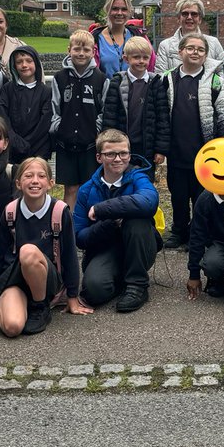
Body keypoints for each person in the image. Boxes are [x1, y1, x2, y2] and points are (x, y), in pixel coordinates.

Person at [0, 157, 90, 337]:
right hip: (15, 279)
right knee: (12, 328)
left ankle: (39, 307)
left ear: (50, 183)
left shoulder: (59, 211)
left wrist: (72, 297)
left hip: (46, 279)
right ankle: (10, 304)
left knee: (28, 251)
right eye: (28, 176)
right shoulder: (10, 211)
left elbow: (70, 256)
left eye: (41, 176)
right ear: (18, 183)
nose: (35, 180)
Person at [73, 129, 160, 312]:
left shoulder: (139, 177)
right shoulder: (86, 190)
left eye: (123, 153)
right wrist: (110, 223)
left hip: (140, 244)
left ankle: (137, 285)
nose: (118, 159)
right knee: (93, 292)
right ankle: (120, 278)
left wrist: (102, 209)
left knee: (137, 219)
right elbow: (79, 237)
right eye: (110, 154)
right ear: (99, 157)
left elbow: (149, 202)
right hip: (105, 249)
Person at [162, 34, 224, 249]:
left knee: (201, 196)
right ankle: (179, 230)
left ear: (206, 55)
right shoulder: (167, 78)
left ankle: (200, 231)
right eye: (190, 48)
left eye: (200, 49)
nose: (195, 52)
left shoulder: (215, 81)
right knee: (178, 194)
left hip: (205, 151)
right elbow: (160, 112)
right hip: (176, 151)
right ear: (180, 52)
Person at [51, 30, 109, 211]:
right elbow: (55, 107)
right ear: (69, 50)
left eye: (86, 50)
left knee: (90, 187)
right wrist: (59, 128)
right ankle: (69, 228)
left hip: (90, 145)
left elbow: (104, 111)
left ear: (93, 51)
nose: (81, 53)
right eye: (77, 49)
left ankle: (89, 228)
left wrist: (96, 131)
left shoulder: (101, 79)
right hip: (65, 143)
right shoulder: (59, 78)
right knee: (71, 188)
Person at [101, 36, 169, 172]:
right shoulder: (117, 83)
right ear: (126, 59)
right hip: (121, 147)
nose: (141, 61)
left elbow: (163, 119)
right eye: (136, 57)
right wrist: (109, 146)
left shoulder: (156, 83)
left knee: (144, 181)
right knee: (120, 181)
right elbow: (109, 116)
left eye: (145, 57)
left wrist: (160, 149)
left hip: (147, 146)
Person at [0, 45, 52, 163]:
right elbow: (3, 117)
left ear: (36, 64)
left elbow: (45, 123)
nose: (24, 65)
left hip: (38, 150)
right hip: (12, 149)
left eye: (29, 61)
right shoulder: (7, 89)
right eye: (19, 62)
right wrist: (15, 141)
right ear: (14, 66)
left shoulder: (46, 92)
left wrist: (27, 143)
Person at [155, 0, 224, 73]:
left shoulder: (213, 43)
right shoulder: (166, 46)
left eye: (194, 14)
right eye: (185, 14)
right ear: (178, 18)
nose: (189, 17)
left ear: (200, 19)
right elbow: (160, 76)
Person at [90, 0, 155, 77]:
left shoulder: (138, 36)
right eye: (115, 9)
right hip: (105, 89)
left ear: (129, 12)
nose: (119, 13)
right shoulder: (95, 38)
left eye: (124, 9)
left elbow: (151, 65)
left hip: (135, 89)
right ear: (108, 10)